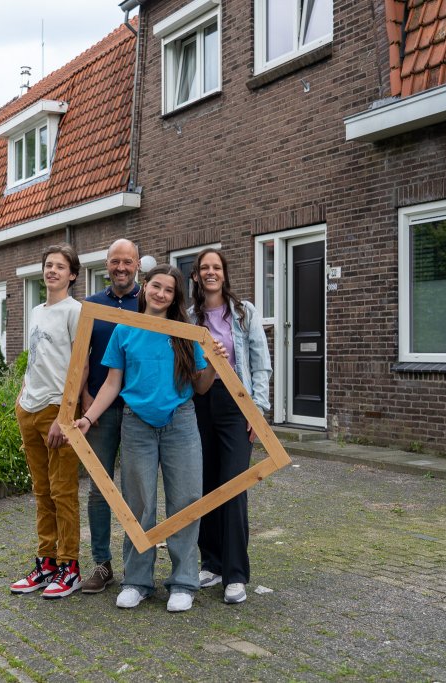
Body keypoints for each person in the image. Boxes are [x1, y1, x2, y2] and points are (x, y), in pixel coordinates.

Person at [75, 264, 226, 613]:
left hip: (181, 422)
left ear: (175, 297)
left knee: (186, 501)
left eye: (168, 290)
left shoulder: (186, 331)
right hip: (136, 424)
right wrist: (87, 417)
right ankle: (137, 581)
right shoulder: (125, 329)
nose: (160, 293)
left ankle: (184, 582)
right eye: (156, 286)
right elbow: (112, 383)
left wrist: (215, 364)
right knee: (138, 503)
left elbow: (201, 387)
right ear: (145, 287)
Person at [188, 247, 272, 605]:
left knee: (235, 485)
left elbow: (260, 363)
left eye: (216, 267)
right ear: (196, 275)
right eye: (205, 267)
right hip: (200, 403)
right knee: (206, 483)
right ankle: (212, 562)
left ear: (224, 273)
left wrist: (260, 411)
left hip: (238, 402)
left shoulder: (244, 312)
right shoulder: (189, 316)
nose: (211, 272)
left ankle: (236, 574)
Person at [10, 244, 84, 599]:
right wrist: (21, 396)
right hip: (30, 407)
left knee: (63, 492)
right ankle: (46, 562)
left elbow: (79, 367)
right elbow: (35, 358)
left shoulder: (75, 311)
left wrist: (66, 415)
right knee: (41, 492)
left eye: (60, 266)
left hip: (57, 411)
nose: (52, 270)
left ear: (72, 274)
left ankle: (70, 567)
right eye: (48, 265)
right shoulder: (37, 311)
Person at [79, 239, 141, 594]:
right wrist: (87, 397)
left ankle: (136, 565)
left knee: (136, 490)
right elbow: (82, 355)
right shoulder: (92, 305)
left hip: (137, 409)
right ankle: (102, 565)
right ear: (106, 264)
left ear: (137, 265)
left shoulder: (147, 302)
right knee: (99, 490)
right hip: (100, 410)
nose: (121, 267)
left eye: (127, 261)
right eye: (115, 261)